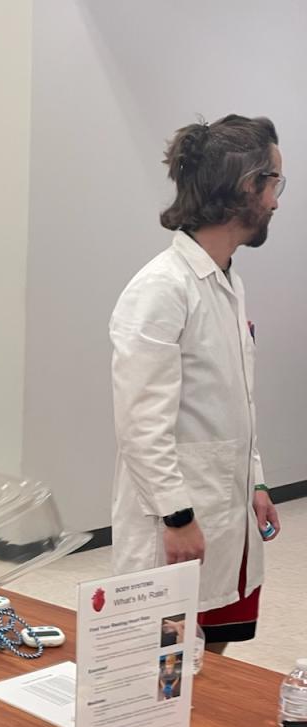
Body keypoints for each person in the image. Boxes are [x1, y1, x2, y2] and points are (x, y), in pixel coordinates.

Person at [110, 114, 283, 653]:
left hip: (227, 513)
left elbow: (237, 402)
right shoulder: (161, 289)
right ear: (245, 187)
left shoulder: (227, 280)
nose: (276, 202)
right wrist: (178, 516)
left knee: (213, 660)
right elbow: (140, 426)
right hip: (178, 521)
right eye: (274, 184)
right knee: (161, 667)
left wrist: (256, 483)